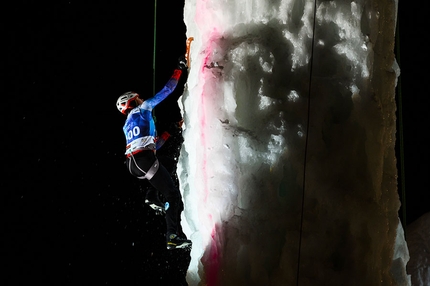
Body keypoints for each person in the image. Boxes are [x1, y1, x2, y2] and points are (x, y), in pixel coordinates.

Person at [116, 56, 191, 250]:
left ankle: (151, 196)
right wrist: (179, 69)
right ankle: (172, 236)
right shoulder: (143, 108)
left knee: (168, 162)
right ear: (133, 100)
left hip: (135, 163)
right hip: (143, 160)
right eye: (138, 97)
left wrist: (172, 129)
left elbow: (153, 147)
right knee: (172, 194)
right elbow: (167, 90)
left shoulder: (127, 126)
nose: (142, 98)